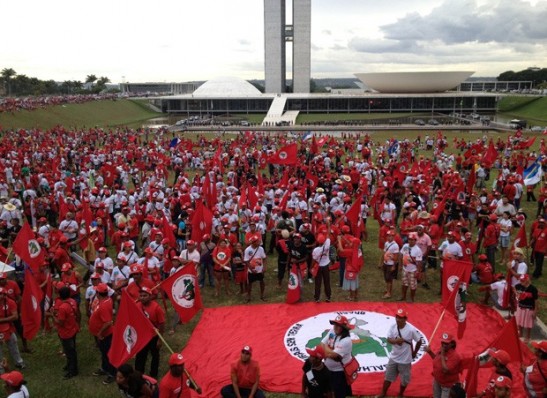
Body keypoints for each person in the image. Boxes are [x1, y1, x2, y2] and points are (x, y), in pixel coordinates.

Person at [377, 308, 423, 398]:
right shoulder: (393, 327)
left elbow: (419, 341)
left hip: (405, 360)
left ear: (405, 319)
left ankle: (401, 394)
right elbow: (388, 339)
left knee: (404, 380)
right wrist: (396, 341)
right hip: (393, 357)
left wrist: (414, 353)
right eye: (397, 317)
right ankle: (383, 393)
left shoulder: (411, 330)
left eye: (401, 318)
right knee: (388, 377)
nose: (398, 319)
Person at [47, 286, 80, 379]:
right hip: (73, 329)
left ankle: (73, 370)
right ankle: (70, 365)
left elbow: (60, 323)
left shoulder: (62, 307)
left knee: (70, 352)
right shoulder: (72, 301)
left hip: (66, 332)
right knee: (71, 350)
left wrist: (53, 315)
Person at [88, 283, 116, 385]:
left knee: (108, 354)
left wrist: (99, 333)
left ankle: (112, 373)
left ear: (97, 293)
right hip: (101, 334)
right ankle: (104, 368)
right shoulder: (105, 300)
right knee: (104, 352)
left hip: (105, 335)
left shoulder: (104, 305)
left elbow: (108, 322)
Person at [135, 287, 165, 379]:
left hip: (153, 336)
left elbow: (161, 324)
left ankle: (153, 374)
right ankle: (138, 374)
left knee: (155, 356)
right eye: (141, 295)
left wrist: (160, 340)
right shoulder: (137, 305)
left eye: (145, 295)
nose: (142, 297)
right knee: (140, 355)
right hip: (142, 336)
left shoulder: (157, 308)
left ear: (150, 296)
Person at [321, 315, 354, 398]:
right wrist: (329, 352)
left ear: (344, 328)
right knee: (327, 391)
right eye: (335, 324)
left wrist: (325, 350)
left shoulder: (347, 340)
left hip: (339, 373)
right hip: (328, 369)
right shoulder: (332, 331)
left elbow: (334, 355)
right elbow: (321, 344)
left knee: (339, 394)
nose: (336, 327)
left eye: (339, 325)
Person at [425, 332, 462, 398]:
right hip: (437, 380)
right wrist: (430, 352)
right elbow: (436, 359)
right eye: (442, 342)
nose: (444, 345)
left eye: (446, 343)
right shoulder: (442, 349)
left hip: (447, 385)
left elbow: (445, 370)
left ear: (452, 344)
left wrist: (442, 355)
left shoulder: (455, 356)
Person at [0, 287, 25, 373]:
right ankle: (1, 368)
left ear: (4, 295)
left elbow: (15, 316)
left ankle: (19, 362)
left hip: (8, 328)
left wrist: (2, 320)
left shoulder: (10, 302)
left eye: (1, 294)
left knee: (13, 345)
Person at [513, 274, 538, 342]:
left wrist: (535, 311)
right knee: (519, 321)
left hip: (529, 309)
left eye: (523, 281)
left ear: (527, 280)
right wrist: (516, 294)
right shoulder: (518, 286)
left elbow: (536, 301)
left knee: (528, 324)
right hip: (520, 307)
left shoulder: (533, 289)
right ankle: (520, 333)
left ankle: (528, 336)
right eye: (520, 280)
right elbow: (514, 288)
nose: (521, 282)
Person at [399, 233, 423, 302]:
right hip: (405, 268)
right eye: (409, 239)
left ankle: (411, 298)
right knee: (404, 283)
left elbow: (419, 262)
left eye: (412, 240)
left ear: (415, 241)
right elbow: (401, 255)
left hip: (413, 270)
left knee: (413, 285)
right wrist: (400, 265)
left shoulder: (418, 250)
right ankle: (403, 296)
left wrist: (418, 272)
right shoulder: (405, 246)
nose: (411, 241)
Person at [244, 236, 267, 303]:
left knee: (262, 282)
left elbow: (264, 258)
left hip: (260, 269)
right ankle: (248, 296)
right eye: (257, 241)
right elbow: (246, 261)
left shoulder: (261, 249)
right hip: (251, 270)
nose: (259, 242)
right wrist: (251, 269)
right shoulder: (248, 250)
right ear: (253, 242)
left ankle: (262, 295)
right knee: (249, 284)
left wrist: (264, 267)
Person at [380, 231, 399, 299]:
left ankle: (389, 293)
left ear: (393, 237)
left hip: (390, 264)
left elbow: (396, 257)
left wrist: (394, 266)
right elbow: (384, 253)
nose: (389, 237)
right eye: (388, 236)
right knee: (386, 278)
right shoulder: (386, 243)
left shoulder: (395, 245)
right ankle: (388, 290)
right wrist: (382, 262)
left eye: (391, 236)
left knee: (389, 279)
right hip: (386, 263)